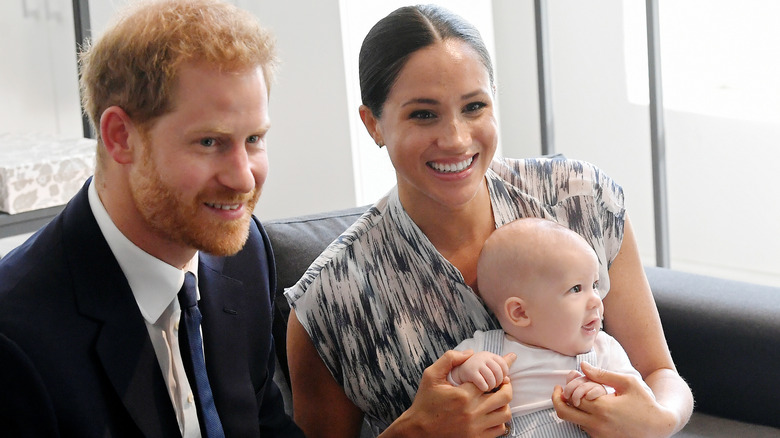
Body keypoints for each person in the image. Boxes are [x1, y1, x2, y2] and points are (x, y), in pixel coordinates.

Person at [285, 4, 692, 438]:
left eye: (474, 106)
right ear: (374, 125)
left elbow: (658, 371)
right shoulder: (330, 300)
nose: (457, 139)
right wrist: (417, 432)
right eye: (423, 114)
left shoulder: (580, 199)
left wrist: (659, 418)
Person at [0, 0, 303, 436]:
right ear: (120, 137)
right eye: (209, 142)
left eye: (254, 138)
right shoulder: (17, 340)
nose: (242, 178)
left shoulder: (244, 253)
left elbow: (266, 425)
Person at [448, 217, 654, 437]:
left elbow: (641, 403)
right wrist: (464, 372)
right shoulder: (484, 350)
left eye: (594, 285)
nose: (596, 299)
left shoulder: (604, 350)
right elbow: (443, 394)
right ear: (520, 313)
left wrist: (606, 392)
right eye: (576, 289)